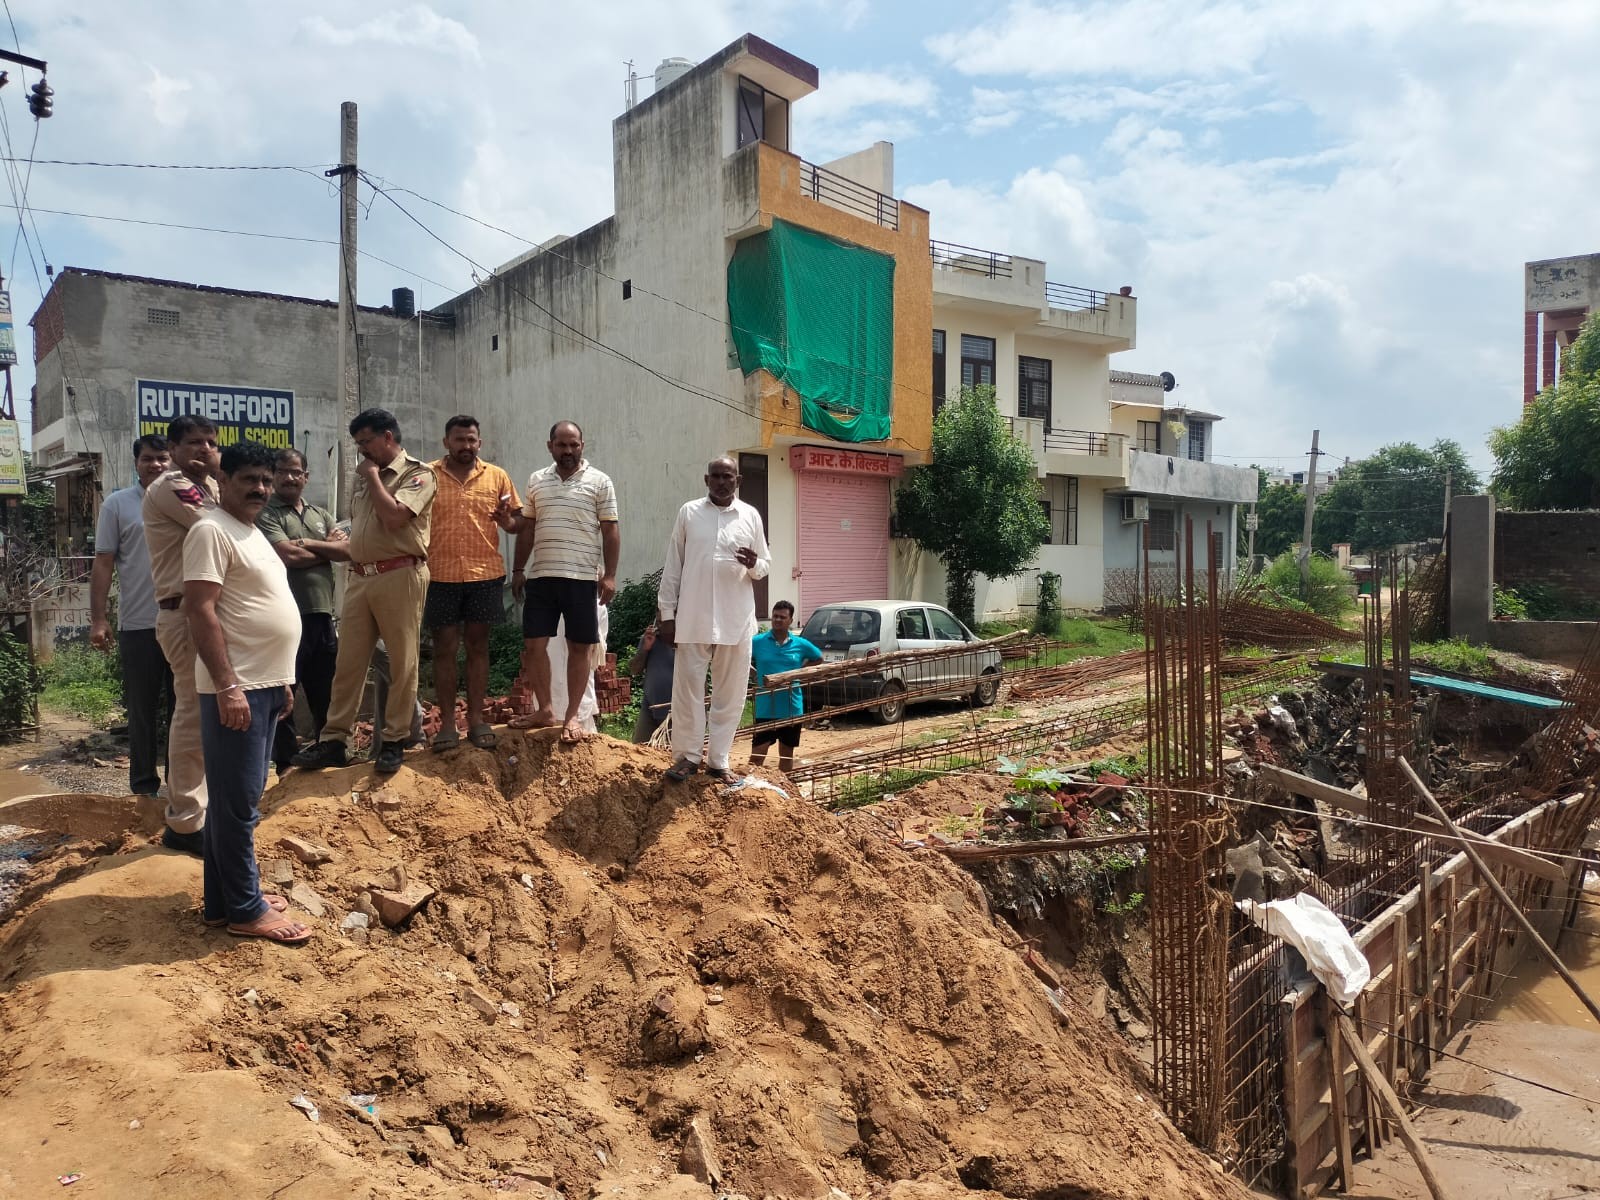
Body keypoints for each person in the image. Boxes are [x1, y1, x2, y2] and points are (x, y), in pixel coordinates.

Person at [183, 440, 308, 945]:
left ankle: (224, 899)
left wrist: (281, 680)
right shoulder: (211, 530)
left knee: (238, 798)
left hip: (263, 685)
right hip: (236, 688)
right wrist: (228, 684)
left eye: (265, 480)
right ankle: (245, 908)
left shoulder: (249, 531)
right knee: (238, 804)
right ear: (224, 481)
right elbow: (201, 610)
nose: (259, 488)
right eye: (248, 480)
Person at [293, 408, 436, 775]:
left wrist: (372, 475)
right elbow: (360, 531)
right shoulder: (361, 478)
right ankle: (335, 740)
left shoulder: (417, 474)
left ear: (388, 437)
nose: (362, 452)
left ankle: (394, 739)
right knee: (348, 663)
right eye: (358, 445)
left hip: (399, 574)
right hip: (360, 576)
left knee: (403, 662)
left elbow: (393, 518)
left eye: (366, 442)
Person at [658, 456, 770, 781]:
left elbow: (765, 564)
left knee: (731, 693)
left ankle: (719, 761)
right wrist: (667, 613)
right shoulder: (689, 513)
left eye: (728, 476)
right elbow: (673, 566)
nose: (722, 481)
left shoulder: (750, 516)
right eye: (717, 476)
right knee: (688, 691)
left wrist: (753, 563)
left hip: (736, 621)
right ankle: (688, 757)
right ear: (706, 479)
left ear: (738, 481)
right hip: (693, 617)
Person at [508, 421, 619, 743]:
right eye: (561, 445)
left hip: (582, 578)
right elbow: (527, 528)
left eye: (574, 445)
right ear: (550, 446)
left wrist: (610, 575)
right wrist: (518, 570)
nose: (568, 451)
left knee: (579, 648)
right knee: (534, 645)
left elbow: (611, 530)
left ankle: (571, 717)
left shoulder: (600, 481)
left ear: (582, 445)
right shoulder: (536, 481)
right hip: (542, 576)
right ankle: (545, 709)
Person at [142, 416, 222, 854]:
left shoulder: (207, 487)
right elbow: (224, 528)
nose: (205, 450)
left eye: (211, 442)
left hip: (203, 614)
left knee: (207, 712)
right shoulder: (174, 486)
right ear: (173, 448)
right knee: (193, 712)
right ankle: (186, 823)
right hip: (184, 613)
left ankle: (200, 812)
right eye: (194, 443)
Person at [425, 415, 520, 751]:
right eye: (459, 439)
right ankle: (449, 724)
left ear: (479, 442)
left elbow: (516, 522)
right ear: (446, 442)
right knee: (445, 649)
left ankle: (477, 720)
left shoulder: (497, 477)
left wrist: (508, 521)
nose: (466, 446)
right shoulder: (427, 476)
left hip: (484, 574)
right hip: (439, 574)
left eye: (471, 440)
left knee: (479, 647)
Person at [90, 435, 174, 799]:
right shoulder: (118, 505)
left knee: (183, 709)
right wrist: (98, 619)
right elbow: (103, 563)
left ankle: (181, 784)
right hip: (139, 624)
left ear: (173, 461)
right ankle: (143, 787)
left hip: (185, 622)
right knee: (141, 711)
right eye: (148, 459)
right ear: (136, 462)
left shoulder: (186, 499)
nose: (156, 465)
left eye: (162, 458)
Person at [256, 448, 347, 771]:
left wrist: (307, 545)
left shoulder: (319, 514)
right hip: (286, 616)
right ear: (274, 474)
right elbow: (287, 557)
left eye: (297, 472)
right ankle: (285, 759)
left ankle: (328, 753)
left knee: (326, 690)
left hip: (322, 614)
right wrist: (327, 550)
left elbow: (347, 550)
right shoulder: (267, 513)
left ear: (306, 477)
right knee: (285, 691)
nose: (290, 477)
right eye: (283, 471)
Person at [748, 600, 823, 774]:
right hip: (765, 708)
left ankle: (785, 790)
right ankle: (750, 788)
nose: (778, 620)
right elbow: (741, 657)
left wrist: (801, 672)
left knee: (787, 755)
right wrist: (753, 673)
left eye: (782, 617)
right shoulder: (757, 641)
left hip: (791, 707)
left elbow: (818, 658)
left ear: (790, 620)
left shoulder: (800, 644)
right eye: (775, 616)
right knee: (757, 756)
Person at [629, 622, 675, 744]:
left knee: (670, 756)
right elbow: (634, 669)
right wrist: (645, 649)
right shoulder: (651, 639)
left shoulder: (686, 641)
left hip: (676, 713)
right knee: (637, 750)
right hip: (649, 707)